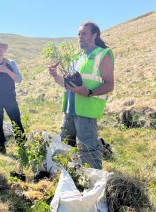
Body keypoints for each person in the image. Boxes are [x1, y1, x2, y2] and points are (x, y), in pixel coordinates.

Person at [49, 21, 114, 169]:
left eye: (83, 33)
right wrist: (55, 76)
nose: (80, 37)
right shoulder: (78, 57)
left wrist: (89, 92)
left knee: (88, 149)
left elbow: (110, 84)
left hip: (86, 110)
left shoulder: (102, 54)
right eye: (78, 34)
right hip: (69, 109)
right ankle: (70, 176)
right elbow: (67, 85)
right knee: (65, 144)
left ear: (94, 35)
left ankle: (94, 184)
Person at [0, 40, 25, 154]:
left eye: (1, 47)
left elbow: (19, 79)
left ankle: (22, 145)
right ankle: (1, 146)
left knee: (16, 121)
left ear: (4, 50)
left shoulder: (11, 63)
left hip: (10, 98)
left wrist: (7, 71)